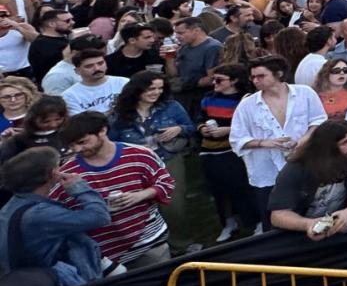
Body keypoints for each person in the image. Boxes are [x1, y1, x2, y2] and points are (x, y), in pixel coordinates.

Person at [53, 111, 175, 267]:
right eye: (72, 145)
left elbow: (166, 183)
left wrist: (142, 195)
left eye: (82, 142)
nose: (77, 149)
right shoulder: (69, 172)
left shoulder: (139, 154)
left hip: (150, 242)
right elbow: (60, 213)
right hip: (107, 256)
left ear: (102, 131)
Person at [230, 55, 328, 231]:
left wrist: (304, 139)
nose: (255, 81)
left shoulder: (305, 93)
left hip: (305, 164)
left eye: (261, 76)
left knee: (311, 211)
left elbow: (319, 120)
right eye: (252, 77)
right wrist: (265, 143)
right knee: (273, 220)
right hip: (267, 172)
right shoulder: (247, 105)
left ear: (279, 73)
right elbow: (237, 139)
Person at [106, 70, 196, 252]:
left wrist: (179, 129)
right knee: (143, 208)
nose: (156, 92)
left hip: (168, 159)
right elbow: (112, 142)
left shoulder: (171, 106)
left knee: (173, 205)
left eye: (160, 88)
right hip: (136, 166)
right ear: (137, 90)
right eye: (151, 89)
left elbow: (190, 127)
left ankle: (181, 245)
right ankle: (154, 247)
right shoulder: (119, 115)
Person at [0, 146, 111, 286]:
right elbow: (100, 216)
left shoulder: (9, 207)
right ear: (53, 174)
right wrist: (80, 188)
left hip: (26, 283)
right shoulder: (41, 214)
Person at [267, 120, 347, 239]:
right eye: (345, 142)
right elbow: (278, 215)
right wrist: (308, 224)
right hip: (300, 234)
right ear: (328, 149)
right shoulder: (296, 169)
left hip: (341, 225)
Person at [198, 63, 259, 243]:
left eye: (219, 80)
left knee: (241, 189)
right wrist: (202, 129)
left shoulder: (245, 100)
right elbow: (199, 119)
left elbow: (251, 126)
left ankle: (255, 221)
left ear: (235, 81)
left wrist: (228, 130)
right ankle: (228, 223)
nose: (214, 83)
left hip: (234, 152)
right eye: (213, 79)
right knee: (218, 191)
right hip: (209, 151)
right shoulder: (208, 98)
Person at [170, 17, 224, 100]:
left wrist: (187, 84)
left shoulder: (213, 48)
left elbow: (212, 78)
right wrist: (169, 58)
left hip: (201, 98)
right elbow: (175, 73)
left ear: (196, 31)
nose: (177, 37)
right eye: (176, 33)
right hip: (183, 97)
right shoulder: (184, 47)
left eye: (181, 33)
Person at [61, 49, 129, 115]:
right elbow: (81, 122)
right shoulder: (69, 96)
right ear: (77, 71)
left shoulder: (124, 83)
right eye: (89, 66)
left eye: (100, 63)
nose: (97, 68)